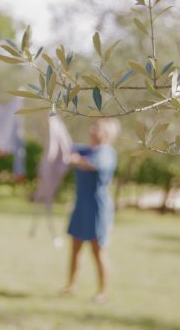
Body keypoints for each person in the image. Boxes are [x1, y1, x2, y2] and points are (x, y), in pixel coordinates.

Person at [62, 118, 120, 304]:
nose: (91, 129)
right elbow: (67, 145)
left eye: (96, 128)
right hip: (81, 205)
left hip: (97, 208)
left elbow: (93, 165)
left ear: (106, 134)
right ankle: (70, 286)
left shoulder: (106, 153)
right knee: (75, 248)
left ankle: (102, 292)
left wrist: (75, 161)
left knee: (98, 251)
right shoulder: (87, 150)